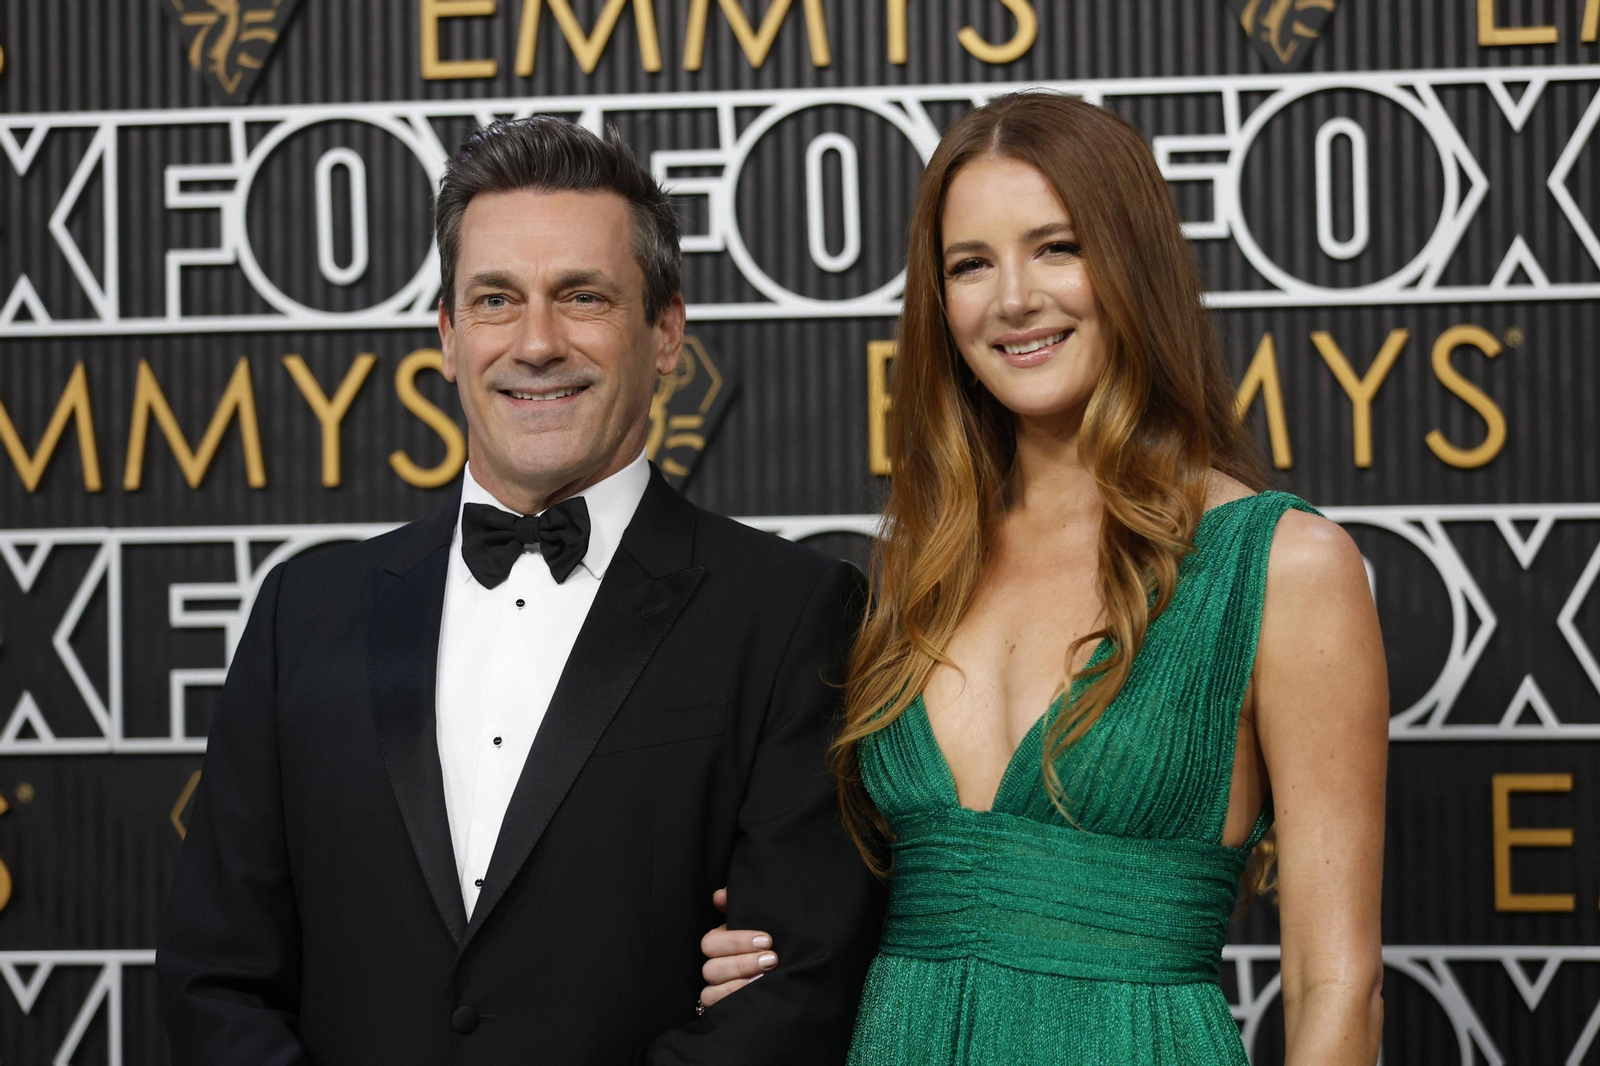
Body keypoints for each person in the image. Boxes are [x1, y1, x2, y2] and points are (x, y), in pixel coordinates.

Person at [157, 116, 883, 1064]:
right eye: (496, 300)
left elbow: (796, 991)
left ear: (667, 332)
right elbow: (212, 978)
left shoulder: (792, 612)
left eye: (582, 296)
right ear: (449, 336)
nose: (536, 343)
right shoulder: (305, 612)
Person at [697, 92, 1388, 1064]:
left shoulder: (1281, 565)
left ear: (1133, 264)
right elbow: (872, 890)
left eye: (1055, 247)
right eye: (970, 264)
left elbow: (1338, 987)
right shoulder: (917, 567)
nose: (1012, 297)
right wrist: (772, 956)